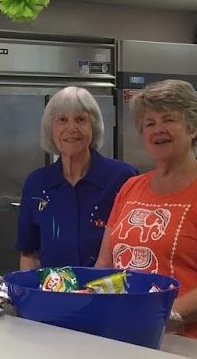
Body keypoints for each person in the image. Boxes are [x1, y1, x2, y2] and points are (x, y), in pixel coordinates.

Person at [96, 79, 197, 335]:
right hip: (124, 334)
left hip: (188, 344)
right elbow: (105, 264)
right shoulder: (130, 188)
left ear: (192, 127)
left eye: (169, 120)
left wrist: (163, 316)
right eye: (149, 123)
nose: (158, 129)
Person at [16, 87, 136, 270]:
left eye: (80, 120)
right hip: (53, 295)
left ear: (93, 127)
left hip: (110, 295)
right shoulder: (36, 183)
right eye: (62, 120)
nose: (71, 128)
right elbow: (29, 254)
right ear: (50, 129)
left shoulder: (123, 178)